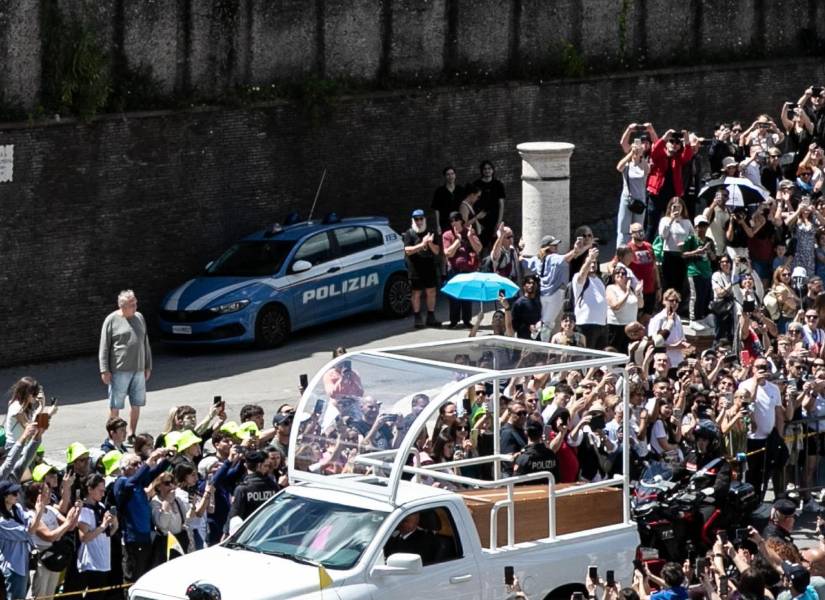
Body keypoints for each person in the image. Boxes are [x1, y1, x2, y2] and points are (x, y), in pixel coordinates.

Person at [98, 289, 152, 441]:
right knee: (116, 405)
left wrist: (148, 365)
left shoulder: (139, 317)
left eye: (135, 303)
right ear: (122, 306)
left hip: (139, 368)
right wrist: (104, 370)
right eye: (132, 304)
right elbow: (104, 347)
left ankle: (131, 433)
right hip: (119, 370)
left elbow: (145, 342)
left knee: (137, 403)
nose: (135, 306)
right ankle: (113, 434)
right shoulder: (111, 320)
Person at [114, 448, 171, 586]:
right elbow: (132, 482)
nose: (139, 466)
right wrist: (150, 460)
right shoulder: (122, 482)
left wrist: (167, 459)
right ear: (124, 468)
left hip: (146, 536)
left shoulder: (138, 482)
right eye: (135, 464)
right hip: (133, 538)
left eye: (140, 464)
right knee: (134, 576)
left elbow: (153, 473)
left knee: (146, 573)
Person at [739, 358, 785, 500]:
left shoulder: (774, 388)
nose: (761, 369)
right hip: (751, 439)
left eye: (764, 366)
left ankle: (761, 500)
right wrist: (756, 383)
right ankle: (750, 502)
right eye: (758, 366)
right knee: (751, 474)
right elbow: (748, 402)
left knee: (766, 474)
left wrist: (780, 436)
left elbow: (779, 414)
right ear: (752, 368)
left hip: (769, 438)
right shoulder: (745, 385)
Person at [531, 234, 587, 341]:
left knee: (544, 320)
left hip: (543, 294)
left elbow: (525, 262)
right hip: (556, 293)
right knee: (548, 324)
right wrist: (575, 250)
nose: (556, 247)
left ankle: (536, 332)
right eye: (553, 245)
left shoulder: (538, 259)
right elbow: (565, 259)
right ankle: (542, 343)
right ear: (547, 247)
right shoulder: (553, 257)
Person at [645, 129, 696, 242]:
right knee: (651, 226)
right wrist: (664, 137)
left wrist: (686, 139)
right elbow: (655, 151)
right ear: (667, 143)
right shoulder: (659, 155)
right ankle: (648, 251)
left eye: (677, 143)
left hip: (672, 197)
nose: (674, 144)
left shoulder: (678, 158)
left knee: (670, 223)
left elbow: (688, 155)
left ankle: (665, 249)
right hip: (656, 195)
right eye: (671, 141)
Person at [0, 480, 47, 600]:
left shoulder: (17, 508)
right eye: (14, 493)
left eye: (17, 492)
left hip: (23, 564)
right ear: (4, 497)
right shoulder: (2, 521)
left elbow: (31, 523)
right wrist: (40, 511)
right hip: (13, 568)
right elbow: (29, 532)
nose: (18, 495)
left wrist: (36, 515)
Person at [77, 473, 119, 600]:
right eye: (100, 490)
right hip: (91, 563)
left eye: (104, 490)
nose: (103, 494)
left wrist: (115, 523)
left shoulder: (101, 506)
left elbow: (107, 534)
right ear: (90, 489)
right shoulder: (84, 510)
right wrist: (103, 525)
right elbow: (84, 537)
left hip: (104, 561)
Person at [442, 211, 482, 328]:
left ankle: (466, 320)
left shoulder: (469, 232)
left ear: (461, 221)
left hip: (468, 269)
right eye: (451, 221)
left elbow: (479, 248)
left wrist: (470, 237)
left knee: (467, 295)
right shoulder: (447, 235)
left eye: (456, 220)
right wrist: (458, 241)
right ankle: (454, 321)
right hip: (454, 270)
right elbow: (448, 253)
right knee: (453, 295)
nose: (454, 223)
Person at [403, 209, 441, 329]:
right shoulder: (409, 233)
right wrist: (422, 244)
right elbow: (407, 251)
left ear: (424, 219)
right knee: (416, 293)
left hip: (429, 267)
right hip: (415, 268)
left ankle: (431, 316)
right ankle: (417, 317)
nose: (419, 222)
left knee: (431, 291)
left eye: (421, 219)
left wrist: (429, 243)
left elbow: (437, 251)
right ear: (413, 221)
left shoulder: (431, 232)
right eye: (416, 219)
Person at [227, 450, 278, 527]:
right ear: (259, 465)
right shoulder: (273, 486)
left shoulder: (242, 489)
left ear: (246, 465)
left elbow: (234, 517)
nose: (268, 469)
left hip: (249, 534)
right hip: (269, 531)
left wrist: (225, 535)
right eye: (266, 466)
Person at [658, 196, 694, 303]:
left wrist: (686, 243)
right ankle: (665, 303)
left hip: (682, 255)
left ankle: (676, 304)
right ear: (670, 207)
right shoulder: (665, 220)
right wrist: (671, 220)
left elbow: (693, 236)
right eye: (674, 207)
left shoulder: (687, 222)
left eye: (679, 207)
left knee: (679, 281)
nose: (677, 209)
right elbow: (662, 235)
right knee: (668, 281)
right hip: (669, 253)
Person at [683, 214, 716, 331]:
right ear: (695, 227)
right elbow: (683, 254)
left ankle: (704, 316)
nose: (702, 229)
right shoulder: (691, 239)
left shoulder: (709, 240)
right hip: (694, 271)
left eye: (705, 226)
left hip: (707, 272)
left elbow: (713, 258)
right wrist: (697, 251)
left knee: (706, 295)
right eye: (700, 226)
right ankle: (693, 319)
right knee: (696, 296)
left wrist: (709, 251)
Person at [616, 137, 650, 246]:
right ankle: (621, 251)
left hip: (640, 200)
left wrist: (641, 155)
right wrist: (631, 153)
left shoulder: (643, 164)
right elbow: (619, 167)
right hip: (627, 199)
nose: (636, 154)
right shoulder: (627, 165)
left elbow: (647, 170)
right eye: (635, 152)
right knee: (623, 228)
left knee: (638, 228)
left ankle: (636, 250)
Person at [572, 247, 608, 349]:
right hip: (586, 323)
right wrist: (589, 259)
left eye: (594, 262)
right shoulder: (578, 277)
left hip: (601, 324)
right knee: (586, 356)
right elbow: (581, 275)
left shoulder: (599, 280)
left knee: (599, 358)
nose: (592, 265)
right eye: (590, 262)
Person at [647, 289, 691, 368]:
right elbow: (653, 343)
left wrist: (685, 344)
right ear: (664, 301)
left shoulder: (677, 318)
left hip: (678, 362)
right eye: (671, 300)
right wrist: (674, 346)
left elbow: (681, 338)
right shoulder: (658, 319)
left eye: (677, 301)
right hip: (663, 363)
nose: (674, 303)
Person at [606, 264, 643, 353]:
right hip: (616, 326)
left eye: (623, 273)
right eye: (617, 273)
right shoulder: (611, 288)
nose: (620, 275)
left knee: (629, 352)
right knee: (615, 352)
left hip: (631, 327)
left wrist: (638, 293)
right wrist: (626, 293)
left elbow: (641, 305)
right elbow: (615, 306)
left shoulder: (631, 290)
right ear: (613, 276)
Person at [627, 224, 660, 322]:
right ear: (631, 233)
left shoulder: (648, 246)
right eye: (637, 231)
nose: (640, 233)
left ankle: (640, 332)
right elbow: (614, 265)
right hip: (636, 290)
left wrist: (658, 287)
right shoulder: (628, 248)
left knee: (648, 315)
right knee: (634, 315)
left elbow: (654, 268)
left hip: (650, 289)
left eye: (641, 230)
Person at [473, 160, 506, 249]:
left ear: (493, 170)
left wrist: (498, 223)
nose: (487, 171)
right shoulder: (476, 184)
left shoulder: (498, 184)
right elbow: (472, 203)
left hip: (494, 220)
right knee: (480, 247)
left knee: (495, 247)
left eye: (489, 168)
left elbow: (501, 205)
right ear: (482, 171)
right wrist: (476, 220)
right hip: (481, 221)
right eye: (485, 169)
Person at [431, 166, 462, 235]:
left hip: (458, 222)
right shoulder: (439, 191)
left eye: (452, 174)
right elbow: (436, 209)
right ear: (445, 176)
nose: (450, 176)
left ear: (455, 175)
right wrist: (438, 225)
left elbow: (464, 206)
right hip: (445, 223)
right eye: (448, 174)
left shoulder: (460, 190)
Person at [509, 275, 542, 340]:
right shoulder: (519, 303)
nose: (531, 285)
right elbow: (515, 324)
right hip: (524, 340)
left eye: (534, 283)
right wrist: (528, 327)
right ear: (524, 286)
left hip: (539, 339)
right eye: (529, 283)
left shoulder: (540, 301)